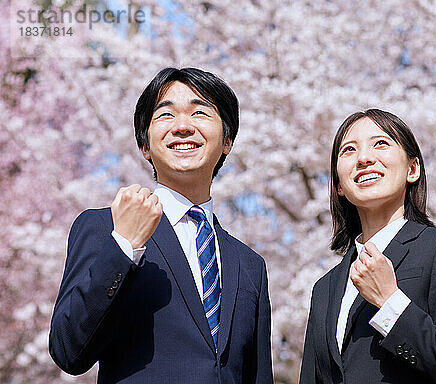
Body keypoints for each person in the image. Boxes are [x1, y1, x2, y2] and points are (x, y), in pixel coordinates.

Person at [49, 67, 273, 384]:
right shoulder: (105, 227)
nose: (183, 126)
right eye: (165, 116)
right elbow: (67, 351)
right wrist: (124, 246)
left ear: (227, 141)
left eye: (200, 113)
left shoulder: (250, 265)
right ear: (145, 146)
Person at [299, 109, 436, 383]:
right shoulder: (325, 288)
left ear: (412, 169)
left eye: (381, 143)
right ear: (339, 185)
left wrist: (391, 303)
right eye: (349, 150)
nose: (364, 158)